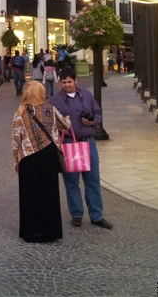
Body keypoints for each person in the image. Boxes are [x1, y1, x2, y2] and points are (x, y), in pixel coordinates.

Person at [50, 66, 114, 230]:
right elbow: (51, 124)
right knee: (71, 182)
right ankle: (76, 214)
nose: (67, 85)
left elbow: (98, 113)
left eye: (69, 82)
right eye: (64, 82)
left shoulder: (87, 95)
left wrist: (92, 121)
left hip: (88, 142)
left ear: (75, 81)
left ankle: (97, 215)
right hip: (69, 143)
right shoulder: (55, 101)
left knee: (92, 180)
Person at [12, 81, 71, 243]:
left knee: (29, 194)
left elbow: (16, 139)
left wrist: (15, 159)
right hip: (48, 156)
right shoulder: (50, 110)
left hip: (28, 157)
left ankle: (30, 232)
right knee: (49, 193)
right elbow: (65, 125)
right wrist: (67, 119)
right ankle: (50, 231)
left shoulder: (20, 113)